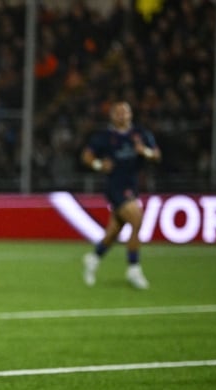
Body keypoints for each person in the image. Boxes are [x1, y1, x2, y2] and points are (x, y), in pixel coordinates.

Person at [81, 100, 161, 289]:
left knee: (113, 232)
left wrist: (146, 152)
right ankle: (133, 268)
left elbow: (157, 155)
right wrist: (99, 165)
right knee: (136, 218)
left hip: (132, 187)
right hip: (115, 187)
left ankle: (93, 258)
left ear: (130, 114)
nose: (121, 115)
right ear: (112, 116)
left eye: (125, 112)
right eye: (117, 112)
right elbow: (86, 156)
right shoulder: (105, 137)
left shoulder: (140, 134)